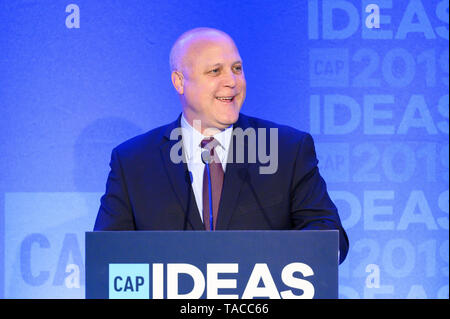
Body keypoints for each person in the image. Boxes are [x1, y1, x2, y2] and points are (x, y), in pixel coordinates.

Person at [94, 27, 349, 264]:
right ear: (179, 81)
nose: (232, 81)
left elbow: (330, 234)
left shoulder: (287, 149)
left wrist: (280, 259)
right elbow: (108, 257)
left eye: (237, 69)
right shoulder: (133, 161)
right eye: (215, 71)